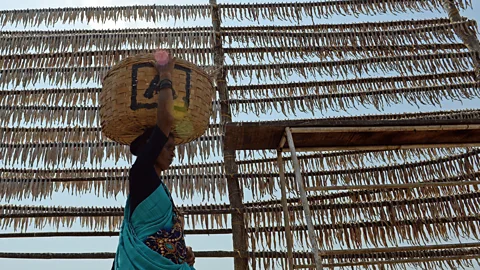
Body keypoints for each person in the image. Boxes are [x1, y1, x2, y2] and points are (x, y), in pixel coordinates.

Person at [112, 53, 196, 269]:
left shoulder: (160, 189)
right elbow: (165, 120)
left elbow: (166, 235)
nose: (173, 153)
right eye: (167, 147)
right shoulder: (141, 173)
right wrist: (166, 76)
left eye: (174, 148)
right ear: (152, 145)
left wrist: (182, 254)